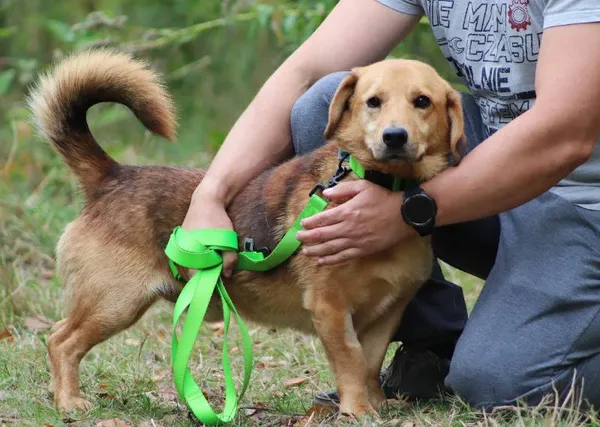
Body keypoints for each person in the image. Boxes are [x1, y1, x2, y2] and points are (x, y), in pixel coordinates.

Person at [182, 0, 600, 410]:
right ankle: (433, 344)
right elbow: (306, 75)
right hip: (497, 163)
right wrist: (210, 194)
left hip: (582, 199)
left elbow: (565, 133)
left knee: (495, 382)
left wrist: (409, 210)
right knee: (325, 101)